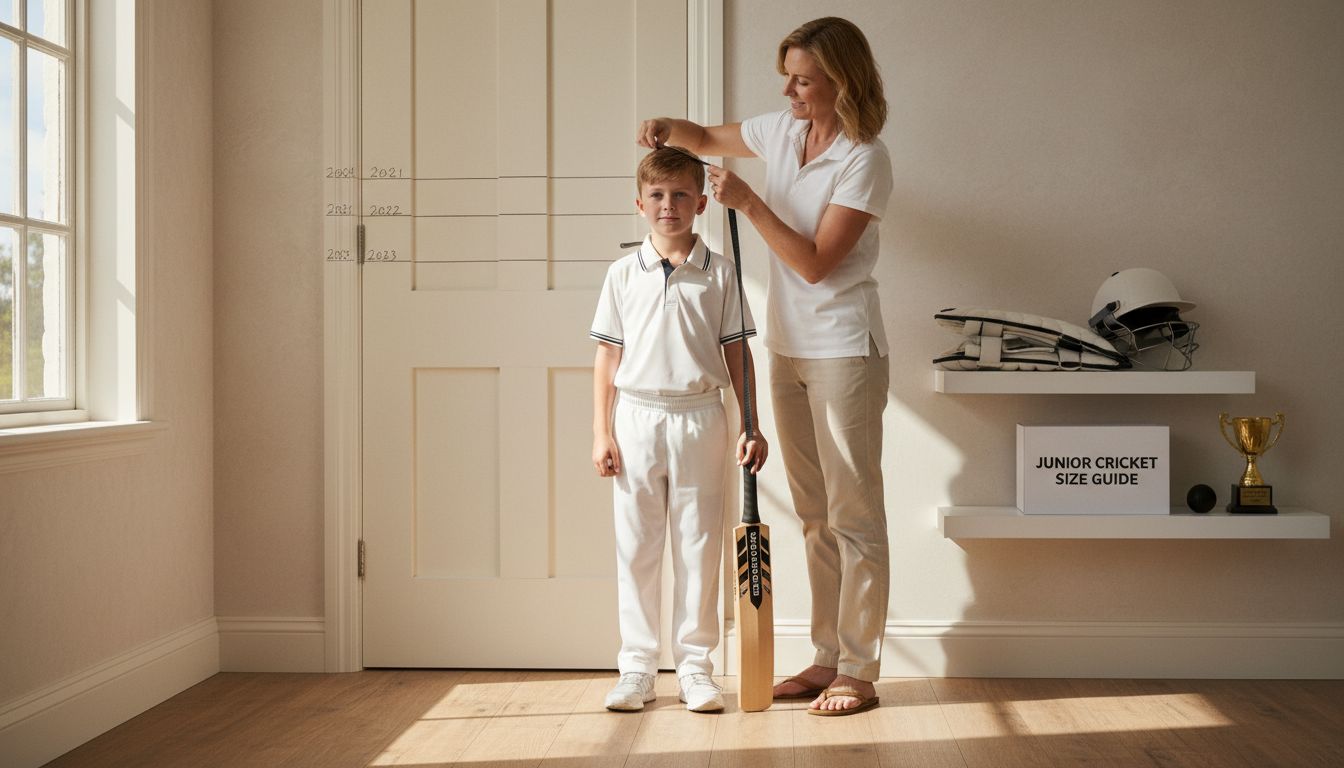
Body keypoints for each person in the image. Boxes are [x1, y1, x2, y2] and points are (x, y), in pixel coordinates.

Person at [636, 16, 893, 716]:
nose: (789, 89)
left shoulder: (865, 158)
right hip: (786, 347)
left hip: (843, 349)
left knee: (854, 513)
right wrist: (669, 125)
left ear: (842, 80)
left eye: (803, 79)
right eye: (788, 75)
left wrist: (748, 202)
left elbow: (814, 264)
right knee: (813, 514)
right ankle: (825, 658)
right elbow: (706, 137)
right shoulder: (783, 130)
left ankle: (861, 670)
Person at [591, 146, 768, 713]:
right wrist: (602, 432)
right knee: (638, 548)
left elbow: (739, 353)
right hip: (636, 417)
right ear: (640, 203)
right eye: (658, 196)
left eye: (681, 196)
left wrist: (752, 424)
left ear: (701, 203)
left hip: (701, 418)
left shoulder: (721, 272)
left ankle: (696, 669)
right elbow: (606, 361)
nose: (669, 206)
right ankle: (637, 668)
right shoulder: (622, 274)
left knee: (698, 545)